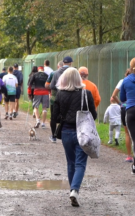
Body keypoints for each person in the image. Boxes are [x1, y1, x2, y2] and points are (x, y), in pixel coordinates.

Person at [52, 68, 97, 207]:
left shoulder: (60, 95)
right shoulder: (86, 93)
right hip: (82, 132)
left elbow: (54, 116)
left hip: (66, 132)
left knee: (70, 163)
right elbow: (93, 115)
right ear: (79, 79)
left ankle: (73, 190)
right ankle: (74, 190)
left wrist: (54, 132)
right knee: (80, 164)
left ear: (64, 79)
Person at [111, 68, 134, 162]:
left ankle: (129, 156)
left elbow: (113, 95)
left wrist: (120, 104)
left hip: (126, 107)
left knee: (127, 133)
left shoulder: (123, 81)